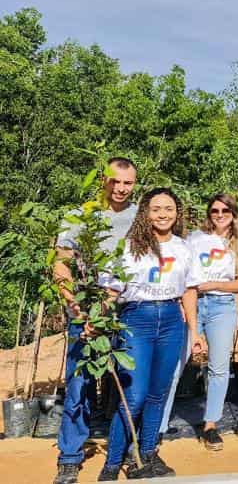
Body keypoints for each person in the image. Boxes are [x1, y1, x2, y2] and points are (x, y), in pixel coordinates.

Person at [96, 188, 205, 481]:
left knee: (159, 393)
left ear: (177, 212)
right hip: (137, 318)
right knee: (134, 396)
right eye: (156, 209)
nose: (163, 214)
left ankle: (145, 456)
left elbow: (190, 291)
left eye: (169, 208)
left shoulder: (184, 248)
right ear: (145, 212)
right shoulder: (129, 246)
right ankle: (112, 462)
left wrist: (194, 332)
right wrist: (97, 321)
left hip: (172, 320)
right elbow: (111, 289)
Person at [53, 158, 138, 484]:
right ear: (103, 180)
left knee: (129, 380)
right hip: (86, 309)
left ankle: (128, 446)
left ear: (135, 183)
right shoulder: (80, 215)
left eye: (127, 183)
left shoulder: (140, 216)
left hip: (129, 309)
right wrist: (73, 304)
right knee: (78, 382)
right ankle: (70, 456)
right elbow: (60, 264)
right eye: (114, 181)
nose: (120, 188)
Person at [160, 194, 238, 451]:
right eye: (215, 210)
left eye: (225, 210)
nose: (220, 214)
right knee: (176, 364)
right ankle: (157, 425)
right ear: (209, 212)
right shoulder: (194, 239)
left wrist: (213, 284)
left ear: (233, 213)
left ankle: (210, 424)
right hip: (192, 302)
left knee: (219, 367)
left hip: (221, 306)